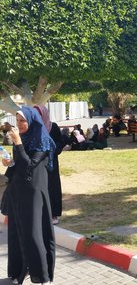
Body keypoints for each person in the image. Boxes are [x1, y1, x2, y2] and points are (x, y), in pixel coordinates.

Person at [2, 106, 56, 284]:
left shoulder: (42, 140)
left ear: (32, 120)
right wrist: (9, 163)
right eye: (17, 121)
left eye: (23, 120)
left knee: (33, 232)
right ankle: (20, 271)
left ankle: (40, 275)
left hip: (33, 193)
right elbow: (17, 167)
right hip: (18, 191)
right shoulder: (23, 139)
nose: (20, 124)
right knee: (17, 232)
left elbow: (29, 166)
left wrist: (17, 144)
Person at [34, 104, 64, 225]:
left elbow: (61, 141)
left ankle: (54, 213)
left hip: (51, 162)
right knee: (38, 186)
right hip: (37, 162)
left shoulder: (53, 127)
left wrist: (53, 150)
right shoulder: (32, 127)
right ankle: (39, 212)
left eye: (39, 114)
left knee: (52, 186)